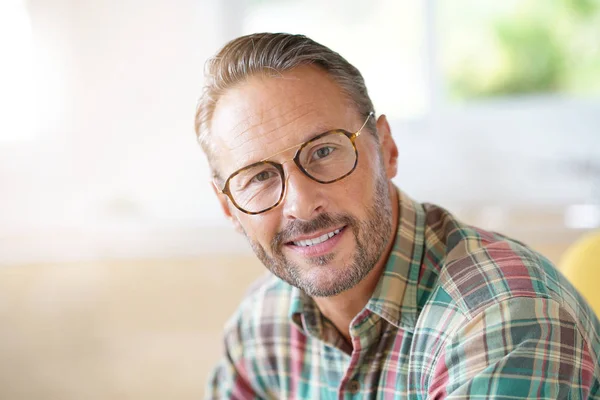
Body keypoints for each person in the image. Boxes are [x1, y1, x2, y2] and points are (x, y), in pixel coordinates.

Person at [195, 32, 600, 399]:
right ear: (229, 207)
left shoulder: (505, 320)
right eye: (260, 176)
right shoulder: (262, 324)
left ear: (386, 148)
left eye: (324, 151)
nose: (301, 204)